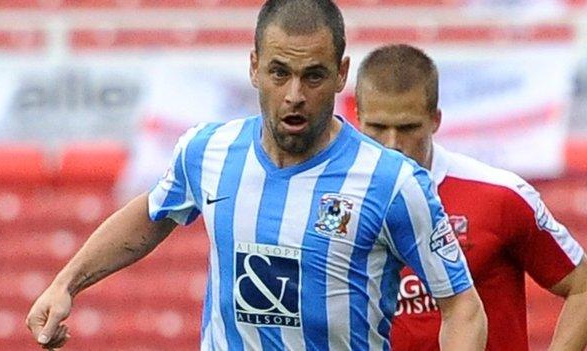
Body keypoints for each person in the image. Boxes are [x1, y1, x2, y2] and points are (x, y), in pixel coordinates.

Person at [25, 2, 487, 350]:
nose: (294, 95)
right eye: (279, 73)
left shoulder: (393, 182)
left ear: (342, 74)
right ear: (253, 67)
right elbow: (152, 214)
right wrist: (66, 283)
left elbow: (462, 306)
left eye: (313, 76)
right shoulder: (209, 151)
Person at [355, 43, 587, 351]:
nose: (392, 143)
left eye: (408, 127)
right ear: (357, 117)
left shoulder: (499, 196)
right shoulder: (334, 198)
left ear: (435, 119)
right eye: (378, 127)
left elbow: (582, 286)